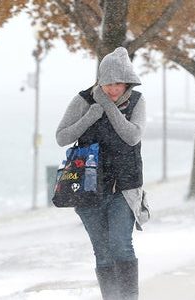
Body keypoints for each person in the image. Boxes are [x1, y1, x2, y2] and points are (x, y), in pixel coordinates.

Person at [56, 47, 149, 300]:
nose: (113, 89)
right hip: (88, 189)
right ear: (100, 80)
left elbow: (132, 137)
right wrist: (89, 117)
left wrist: (107, 106)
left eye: (118, 83)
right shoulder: (83, 100)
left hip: (124, 188)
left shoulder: (137, 101)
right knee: (102, 251)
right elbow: (61, 137)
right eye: (108, 83)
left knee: (121, 245)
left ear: (127, 81)